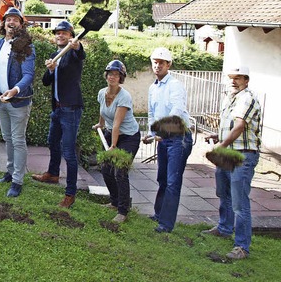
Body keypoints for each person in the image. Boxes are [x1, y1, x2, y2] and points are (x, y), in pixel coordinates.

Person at [201, 66, 261, 260]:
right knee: (223, 192)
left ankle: (242, 247)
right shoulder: (231, 98)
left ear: (247, 80)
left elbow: (239, 125)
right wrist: (217, 136)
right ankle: (224, 228)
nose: (234, 81)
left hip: (242, 155)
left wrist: (221, 145)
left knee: (239, 203)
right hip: (228, 153)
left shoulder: (247, 98)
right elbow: (229, 127)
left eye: (238, 78)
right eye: (232, 78)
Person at [31, 21, 85, 208]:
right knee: (52, 141)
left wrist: (77, 46)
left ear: (71, 36)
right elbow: (46, 81)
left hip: (71, 108)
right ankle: (53, 174)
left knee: (69, 152)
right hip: (57, 108)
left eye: (64, 33)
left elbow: (80, 52)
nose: (60, 36)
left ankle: (70, 193)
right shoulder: (55, 55)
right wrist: (50, 69)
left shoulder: (73, 53)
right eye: (58, 33)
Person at [0, 7, 35, 197]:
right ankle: (10, 172)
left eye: (15, 20)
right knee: (8, 138)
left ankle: (18, 181)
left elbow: (28, 75)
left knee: (18, 140)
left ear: (21, 25)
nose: (11, 23)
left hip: (19, 101)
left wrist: (14, 90)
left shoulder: (26, 46)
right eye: (8, 20)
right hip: (1, 101)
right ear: (3, 24)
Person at [143, 47, 193, 233]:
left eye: (161, 63)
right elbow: (151, 113)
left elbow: (177, 110)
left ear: (168, 65)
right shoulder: (153, 87)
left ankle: (166, 224)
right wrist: (150, 132)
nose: (157, 66)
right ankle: (158, 214)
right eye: (155, 62)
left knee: (173, 181)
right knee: (162, 178)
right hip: (163, 138)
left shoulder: (175, 85)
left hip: (179, 138)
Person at [92, 60, 141, 223]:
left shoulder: (124, 96)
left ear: (121, 78)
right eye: (110, 74)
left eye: (116, 75)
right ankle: (114, 202)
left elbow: (117, 125)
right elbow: (103, 111)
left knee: (119, 171)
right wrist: (101, 124)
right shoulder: (101, 93)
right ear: (106, 76)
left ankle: (123, 211)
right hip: (111, 133)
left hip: (128, 137)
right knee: (105, 169)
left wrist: (113, 146)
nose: (112, 77)